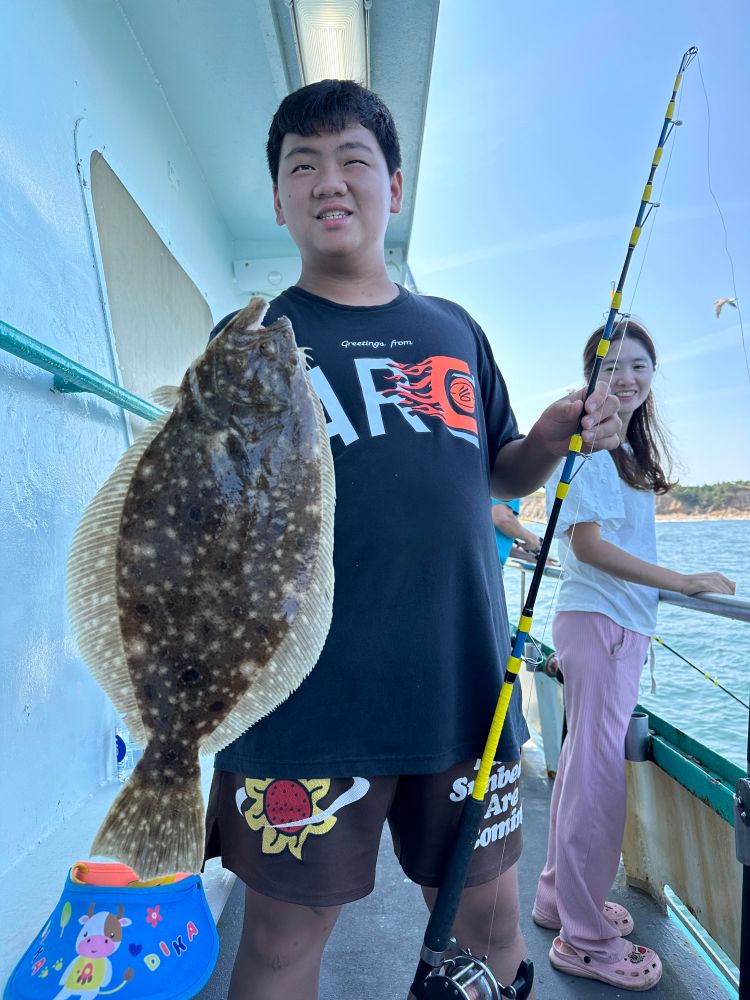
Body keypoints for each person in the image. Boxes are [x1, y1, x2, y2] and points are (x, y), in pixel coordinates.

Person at [202, 79, 622, 1000]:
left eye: (354, 160)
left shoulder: (454, 330)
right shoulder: (253, 339)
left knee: (490, 920)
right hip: (298, 700)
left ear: (394, 184)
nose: (329, 183)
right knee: (280, 936)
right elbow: (211, 510)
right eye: (301, 166)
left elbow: (498, 471)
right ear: (277, 199)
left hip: (462, 686)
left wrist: (548, 440)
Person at [532, 320, 736, 990]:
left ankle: (559, 898)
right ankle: (584, 940)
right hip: (602, 629)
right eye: (611, 366)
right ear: (589, 375)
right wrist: (682, 582)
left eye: (639, 366)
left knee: (585, 776)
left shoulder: (621, 448)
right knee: (597, 786)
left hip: (610, 627)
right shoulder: (589, 445)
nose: (626, 377)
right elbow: (587, 547)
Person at [491, 498, 544, 565]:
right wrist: (532, 539)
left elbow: (497, 545)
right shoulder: (507, 488)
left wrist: (532, 557)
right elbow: (502, 518)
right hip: (487, 565)